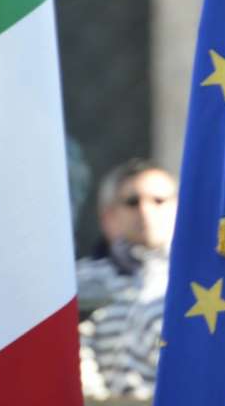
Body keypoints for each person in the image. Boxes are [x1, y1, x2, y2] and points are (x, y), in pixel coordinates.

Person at [76, 159, 177, 400]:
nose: (145, 211)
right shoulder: (77, 281)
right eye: (132, 202)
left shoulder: (203, 285)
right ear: (108, 217)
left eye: (159, 201)